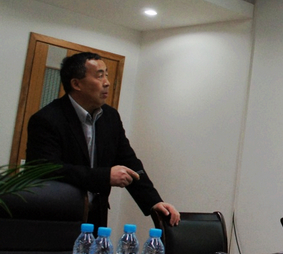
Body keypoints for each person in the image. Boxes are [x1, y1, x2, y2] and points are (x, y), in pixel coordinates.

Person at [25, 52, 179, 229]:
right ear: (76, 84)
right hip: (58, 217)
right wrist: (105, 176)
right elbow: (46, 170)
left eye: (106, 74)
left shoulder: (110, 117)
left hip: (96, 216)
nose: (107, 82)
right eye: (99, 76)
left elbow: (128, 161)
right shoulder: (47, 119)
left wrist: (154, 201)